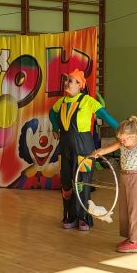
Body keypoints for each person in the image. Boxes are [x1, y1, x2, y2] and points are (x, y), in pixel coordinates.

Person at [48, 69, 118, 231]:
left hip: (84, 147)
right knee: (67, 183)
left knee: (82, 183)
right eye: (66, 80)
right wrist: (55, 127)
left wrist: (122, 130)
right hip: (65, 147)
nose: (67, 83)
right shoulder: (61, 102)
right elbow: (52, 113)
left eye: (71, 81)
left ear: (80, 85)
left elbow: (105, 116)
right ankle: (70, 216)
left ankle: (83, 218)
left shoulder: (88, 101)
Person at [92, 115, 137, 253]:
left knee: (135, 210)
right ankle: (130, 237)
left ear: (133, 136)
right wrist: (98, 152)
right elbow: (108, 149)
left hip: (136, 179)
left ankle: (134, 242)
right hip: (124, 177)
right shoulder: (122, 144)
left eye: (124, 139)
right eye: (120, 139)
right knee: (125, 209)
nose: (121, 141)